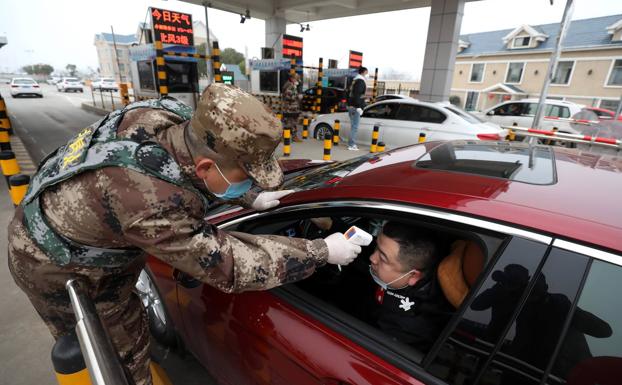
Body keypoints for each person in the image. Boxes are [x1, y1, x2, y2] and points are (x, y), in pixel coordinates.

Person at [7, 84, 361, 385]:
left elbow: (189, 168)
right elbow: (228, 265)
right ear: (208, 166)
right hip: (56, 263)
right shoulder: (150, 202)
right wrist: (320, 251)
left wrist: (250, 195)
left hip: (71, 215)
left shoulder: (169, 115)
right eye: (247, 176)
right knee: (116, 352)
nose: (251, 182)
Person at [368, 221, 453, 352]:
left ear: (413, 276)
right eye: (376, 247)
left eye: (383, 258)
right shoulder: (416, 264)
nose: (372, 258)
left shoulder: (405, 330)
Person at [347, 66, 368, 151]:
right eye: (366, 72)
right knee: (355, 127)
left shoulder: (354, 80)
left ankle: (351, 144)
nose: (367, 74)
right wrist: (359, 107)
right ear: (363, 72)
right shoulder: (360, 81)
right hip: (355, 107)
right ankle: (351, 145)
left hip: (351, 106)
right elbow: (357, 95)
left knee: (353, 126)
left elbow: (349, 93)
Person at [281, 73, 302, 142]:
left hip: (292, 109)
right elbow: (288, 97)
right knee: (287, 123)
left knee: (293, 123)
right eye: (297, 79)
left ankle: (293, 136)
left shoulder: (292, 85)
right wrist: (297, 97)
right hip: (289, 109)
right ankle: (285, 137)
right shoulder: (289, 85)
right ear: (293, 78)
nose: (298, 81)